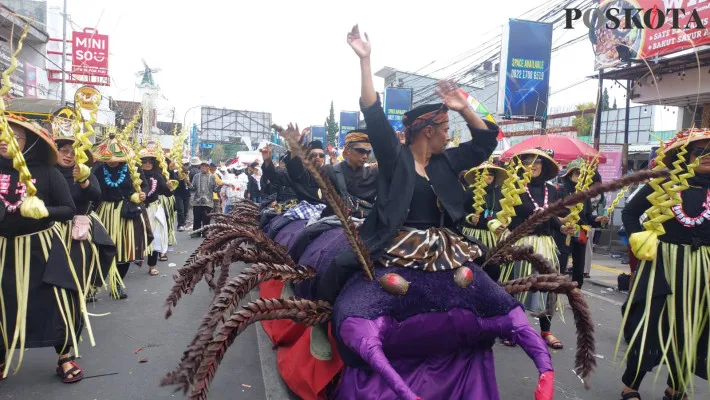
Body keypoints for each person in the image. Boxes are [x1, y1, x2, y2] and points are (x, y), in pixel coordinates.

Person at [619, 130, 710, 400]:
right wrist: (641, 240)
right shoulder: (665, 181)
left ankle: (676, 388)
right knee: (649, 325)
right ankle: (630, 386)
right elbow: (630, 212)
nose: (707, 157)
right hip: (663, 265)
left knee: (691, 327)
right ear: (685, 156)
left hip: (702, 268)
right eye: (700, 151)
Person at [0, 115, 87, 383]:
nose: (6, 141)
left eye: (14, 136)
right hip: (3, 250)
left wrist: (44, 210)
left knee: (55, 301)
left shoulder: (47, 172)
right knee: (2, 303)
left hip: (42, 247)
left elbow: (69, 210)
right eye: (2, 135)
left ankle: (64, 356)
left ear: (30, 142)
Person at [492, 149, 572, 350]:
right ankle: (511, 329)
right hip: (521, 243)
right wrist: (501, 225)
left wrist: (562, 227)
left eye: (538, 162)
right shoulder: (514, 189)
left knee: (547, 286)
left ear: (544, 167)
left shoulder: (552, 191)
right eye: (528, 161)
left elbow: (552, 218)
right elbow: (503, 215)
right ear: (522, 166)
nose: (533, 165)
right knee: (515, 286)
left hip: (545, 244)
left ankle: (546, 331)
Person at [54, 131, 116, 303]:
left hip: (77, 228)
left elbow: (97, 195)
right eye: (64, 150)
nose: (68, 155)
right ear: (55, 151)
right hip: (52, 228)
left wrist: (84, 181)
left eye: (73, 152)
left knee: (78, 263)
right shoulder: (48, 172)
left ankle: (79, 294)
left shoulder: (85, 173)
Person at [93, 133, 150, 299]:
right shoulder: (97, 169)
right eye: (108, 156)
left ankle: (117, 284)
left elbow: (143, 185)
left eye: (116, 155)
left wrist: (142, 195)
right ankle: (93, 286)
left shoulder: (133, 168)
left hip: (126, 212)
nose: (112, 159)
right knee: (101, 250)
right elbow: (92, 191)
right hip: (104, 212)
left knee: (126, 251)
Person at [555, 159, 608, 289]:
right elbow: (552, 214)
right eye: (577, 173)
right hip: (564, 232)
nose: (580, 177)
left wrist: (598, 219)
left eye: (582, 174)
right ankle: (554, 297)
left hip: (581, 233)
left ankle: (577, 296)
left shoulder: (584, 195)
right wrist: (563, 220)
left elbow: (588, 217)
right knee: (560, 265)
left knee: (579, 267)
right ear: (569, 175)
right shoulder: (559, 192)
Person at [139, 148, 172, 276]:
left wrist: (169, 187)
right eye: (144, 161)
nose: (147, 163)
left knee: (155, 236)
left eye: (150, 161)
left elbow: (166, 192)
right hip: (138, 210)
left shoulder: (157, 176)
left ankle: (152, 265)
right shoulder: (134, 175)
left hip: (153, 209)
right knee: (138, 236)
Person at [190, 160, 216, 238]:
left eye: (205, 166)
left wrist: (220, 186)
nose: (204, 167)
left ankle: (205, 232)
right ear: (200, 167)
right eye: (202, 166)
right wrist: (188, 183)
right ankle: (196, 232)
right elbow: (193, 188)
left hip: (208, 201)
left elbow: (215, 189)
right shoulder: (196, 176)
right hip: (197, 201)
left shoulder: (212, 177)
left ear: (209, 168)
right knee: (197, 218)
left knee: (206, 218)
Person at [174, 159, 191, 231]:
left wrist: (188, 182)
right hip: (178, 194)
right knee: (180, 209)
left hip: (186, 194)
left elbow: (191, 186)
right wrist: (180, 178)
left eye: (187, 164)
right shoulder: (175, 173)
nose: (186, 166)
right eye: (184, 164)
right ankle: (180, 225)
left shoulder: (189, 174)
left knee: (186, 210)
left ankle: (183, 224)